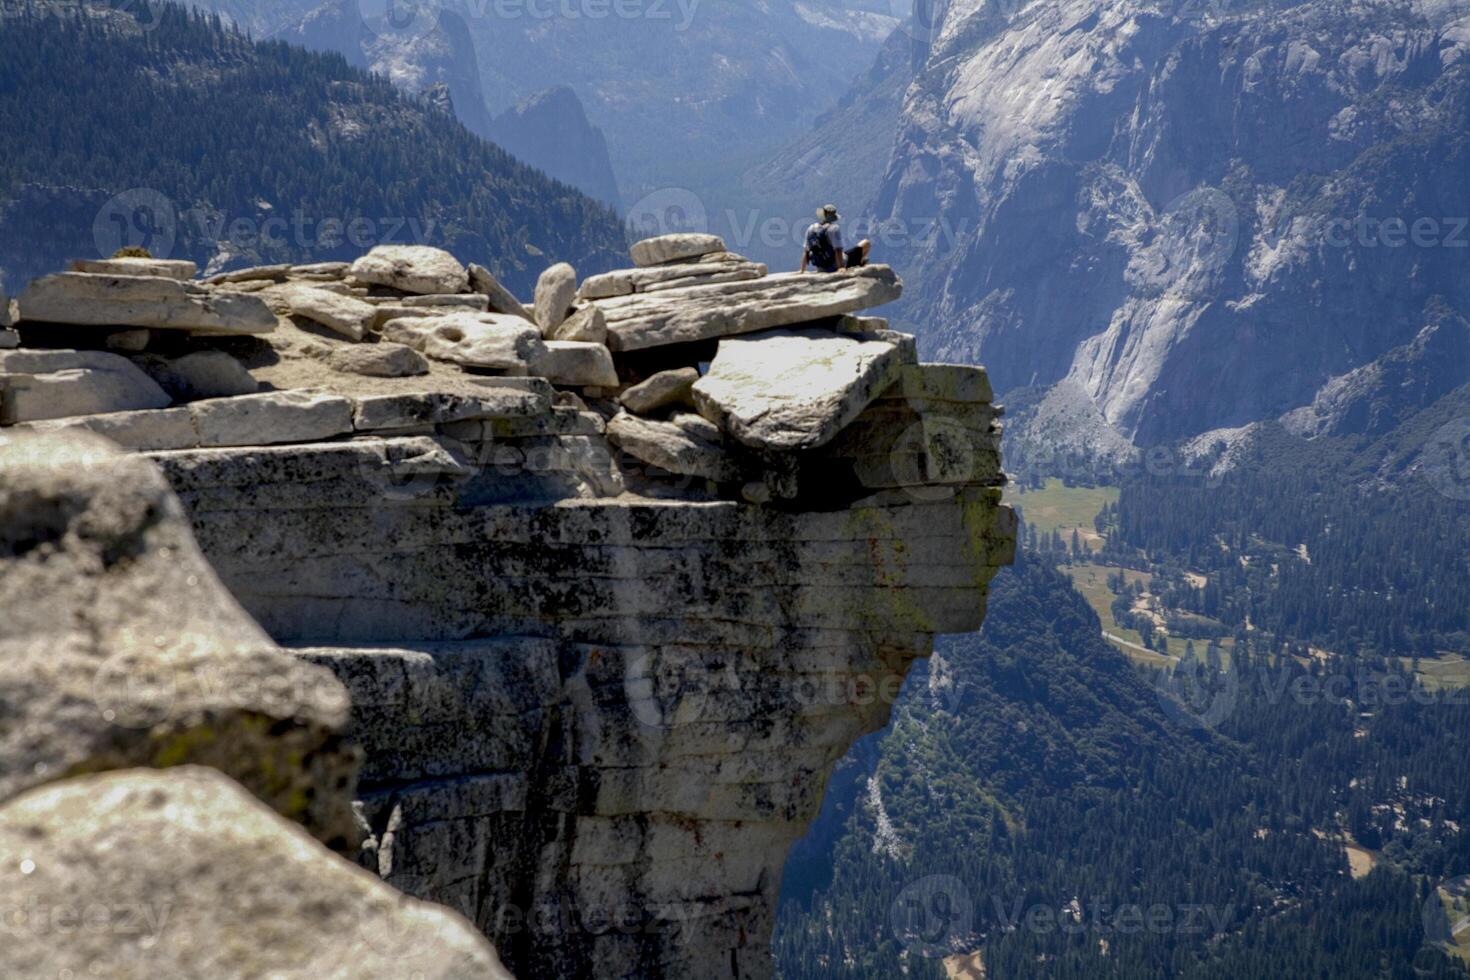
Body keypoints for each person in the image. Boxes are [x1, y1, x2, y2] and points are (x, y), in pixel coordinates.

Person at [800, 204, 871, 273]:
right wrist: (841, 268)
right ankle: (859, 264)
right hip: (835, 267)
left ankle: (859, 263)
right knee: (866, 243)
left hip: (820, 268)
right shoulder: (833, 228)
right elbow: (838, 250)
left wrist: (802, 270)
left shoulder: (811, 228)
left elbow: (806, 251)